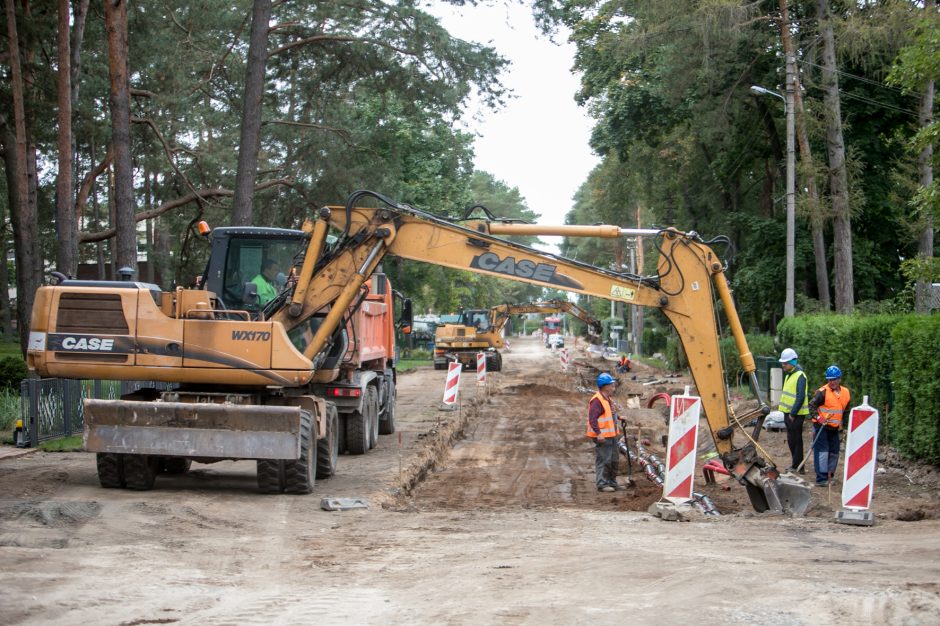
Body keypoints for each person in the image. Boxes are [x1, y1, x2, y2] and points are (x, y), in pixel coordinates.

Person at [808, 365, 852, 487]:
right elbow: (811, 406)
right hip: (821, 427)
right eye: (829, 379)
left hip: (834, 428)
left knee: (834, 452)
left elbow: (846, 412)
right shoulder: (822, 392)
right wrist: (818, 418)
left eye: (834, 379)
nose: (832, 382)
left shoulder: (846, 393)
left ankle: (830, 474)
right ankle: (821, 478)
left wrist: (846, 427)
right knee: (822, 452)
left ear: (839, 379)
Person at [587, 372, 624, 492]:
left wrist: (619, 418)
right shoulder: (597, 401)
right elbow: (592, 419)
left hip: (611, 435)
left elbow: (609, 414)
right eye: (611, 385)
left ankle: (612, 482)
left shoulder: (607, 399)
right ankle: (602, 484)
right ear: (605, 386)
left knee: (614, 459)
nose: (613, 387)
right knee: (604, 460)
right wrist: (599, 434)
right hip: (603, 436)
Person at [777, 347, 809, 473]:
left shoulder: (800, 376)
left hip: (795, 415)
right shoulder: (789, 375)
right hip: (789, 413)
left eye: (785, 363)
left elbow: (800, 397)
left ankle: (798, 467)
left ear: (792, 362)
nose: (783, 365)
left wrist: (793, 413)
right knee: (791, 440)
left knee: (796, 440)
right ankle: (796, 465)